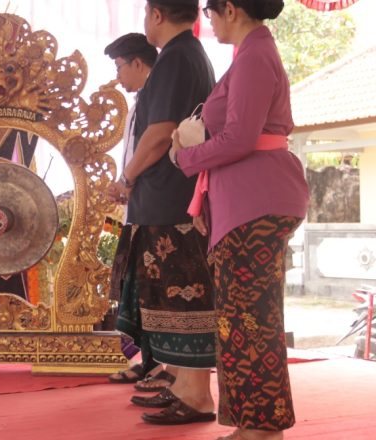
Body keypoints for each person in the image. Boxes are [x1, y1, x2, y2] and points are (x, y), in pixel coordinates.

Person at [170, 1, 309, 438]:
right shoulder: (249, 54)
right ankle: (255, 423)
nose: (207, 21)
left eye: (209, 12)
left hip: (256, 202)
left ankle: (264, 428)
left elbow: (240, 138)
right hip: (246, 201)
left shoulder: (254, 55)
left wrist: (185, 155)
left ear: (229, 8)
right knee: (241, 319)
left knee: (250, 320)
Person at [106, 0, 218, 425]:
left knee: (183, 295)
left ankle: (196, 395)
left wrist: (127, 178)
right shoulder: (186, 55)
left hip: (172, 199)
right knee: (174, 298)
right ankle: (184, 385)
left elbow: (159, 134)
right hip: (172, 198)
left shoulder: (177, 58)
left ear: (155, 14)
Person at [102, 33, 172, 387]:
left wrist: (125, 181)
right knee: (141, 291)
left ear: (139, 64)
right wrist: (123, 181)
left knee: (155, 292)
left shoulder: (155, 101)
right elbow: (133, 153)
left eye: (119, 68)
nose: (118, 77)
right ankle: (148, 361)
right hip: (138, 205)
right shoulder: (140, 103)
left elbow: (155, 147)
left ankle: (162, 367)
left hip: (154, 206)